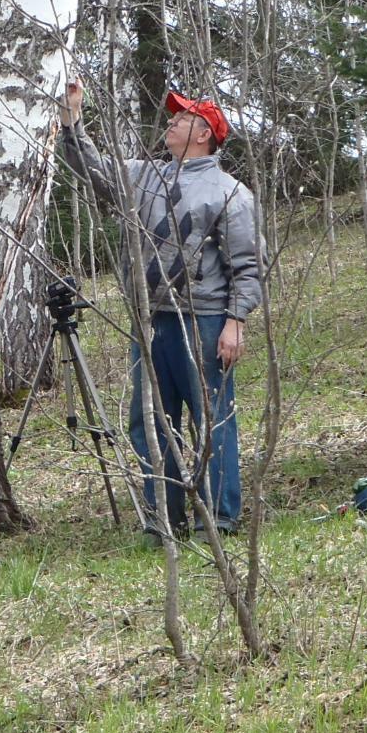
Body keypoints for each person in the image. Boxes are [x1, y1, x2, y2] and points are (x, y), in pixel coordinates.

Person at [58, 79, 264, 539]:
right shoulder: (143, 175)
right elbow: (93, 170)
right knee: (150, 419)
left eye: (183, 117)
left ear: (205, 134)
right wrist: (72, 119)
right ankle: (163, 521)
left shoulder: (230, 193)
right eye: (174, 115)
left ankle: (220, 519)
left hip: (205, 322)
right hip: (151, 322)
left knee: (212, 419)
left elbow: (247, 266)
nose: (171, 121)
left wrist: (235, 323)